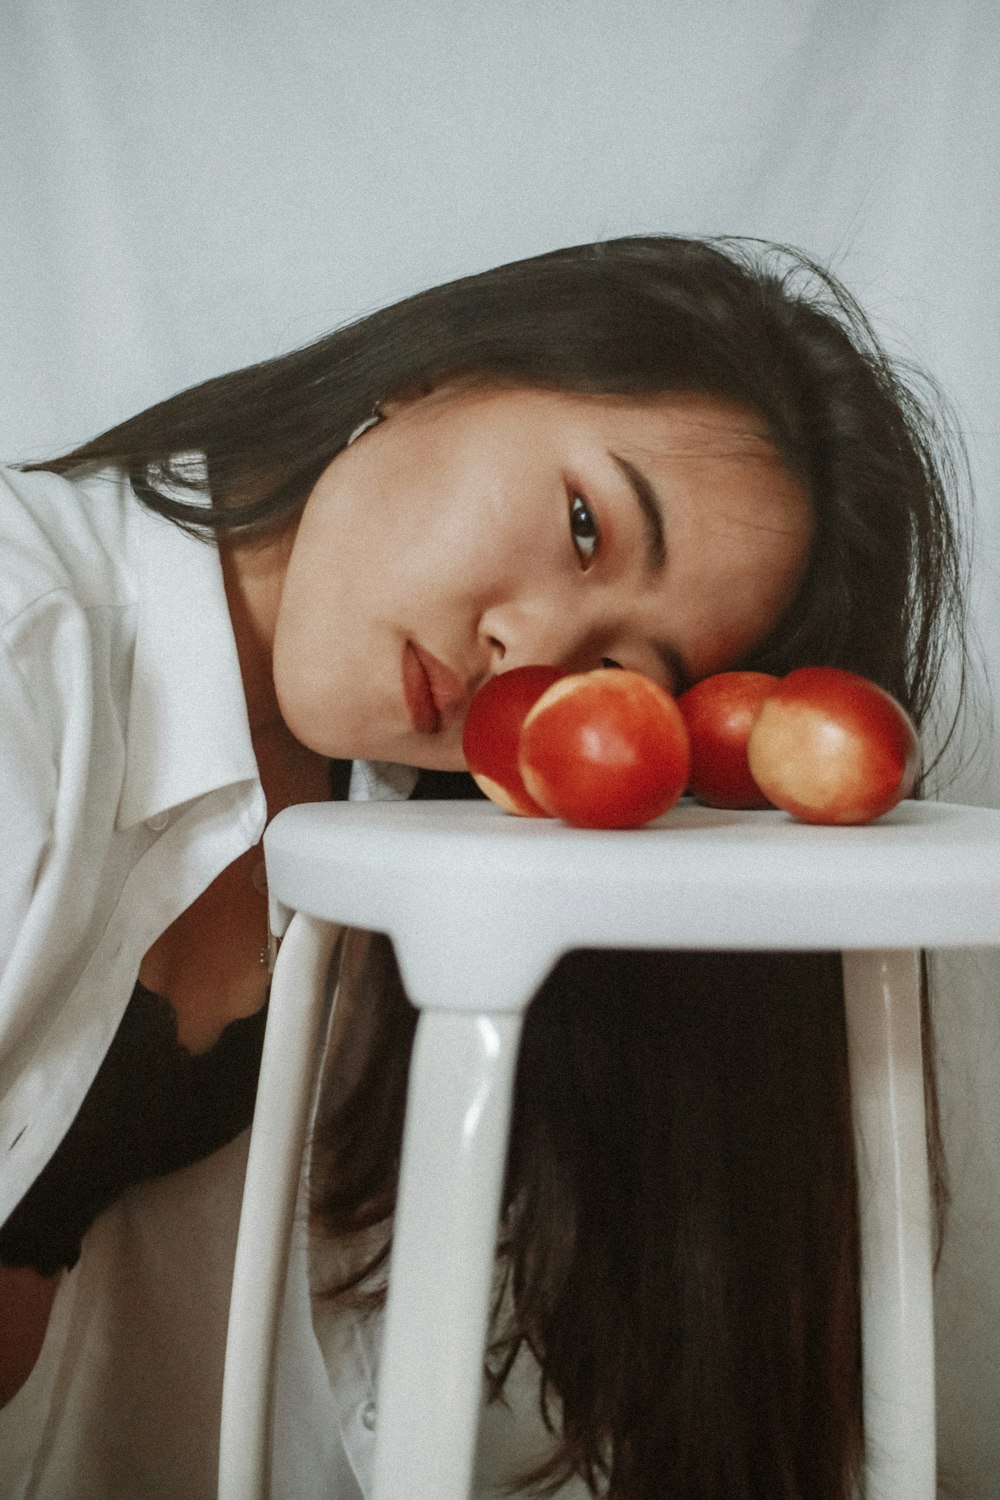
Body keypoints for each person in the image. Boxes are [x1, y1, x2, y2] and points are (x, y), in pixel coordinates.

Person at [0, 234, 967, 1498]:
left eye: (625, 675)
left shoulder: (412, 845)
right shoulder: (27, 645)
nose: (534, 655)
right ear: (436, 372)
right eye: (583, 524)